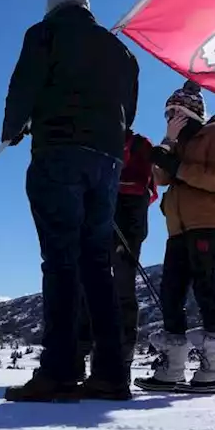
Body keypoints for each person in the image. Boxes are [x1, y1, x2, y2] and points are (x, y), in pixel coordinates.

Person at [0, 0, 139, 403]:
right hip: (107, 161)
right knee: (96, 266)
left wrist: (12, 130)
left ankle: (59, 371)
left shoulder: (45, 33)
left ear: (53, 3)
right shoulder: (119, 49)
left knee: (60, 261)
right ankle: (111, 374)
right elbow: (128, 110)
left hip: (60, 153)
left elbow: (25, 83)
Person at [135, 81, 215, 395]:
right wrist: (168, 143)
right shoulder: (181, 142)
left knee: (206, 290)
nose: (171, 117)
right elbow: (161, 175)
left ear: (191, 112)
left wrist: (174, 161)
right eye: (167, 113)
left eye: (176, 112)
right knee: (170, 293)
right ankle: (172, 369)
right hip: (180, 228)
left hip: (211, 225)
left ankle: (212, 371)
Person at [75, 129, 157, 381]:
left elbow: (144, 187)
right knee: (85, 287)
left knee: (120, 290)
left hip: (126, 217)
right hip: (98, 213)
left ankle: (118, 364)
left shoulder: (139, 145)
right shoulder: (95, 137)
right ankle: (78, 357)